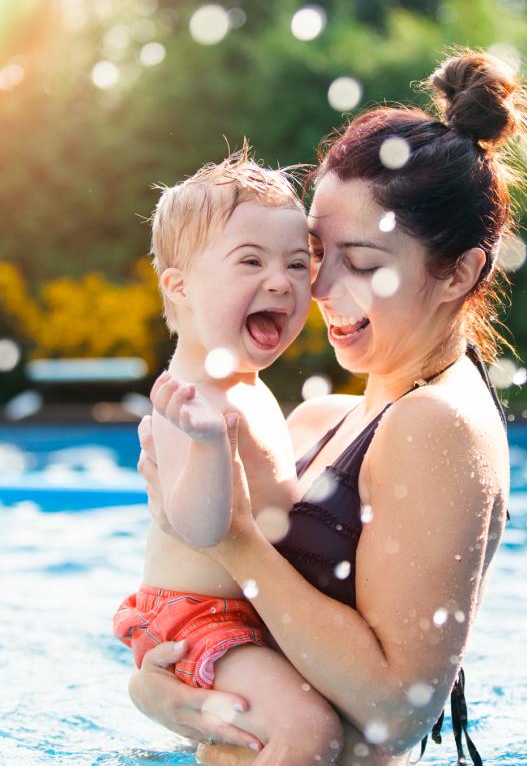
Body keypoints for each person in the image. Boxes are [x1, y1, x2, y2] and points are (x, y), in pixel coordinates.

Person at [129, 50, 527, 765]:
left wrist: (234, 539)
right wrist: (160, 690)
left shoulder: (437, 425)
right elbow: (243, 629)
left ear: (459, 272)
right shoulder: (320, 421)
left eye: (361, 263)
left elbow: (397, 709)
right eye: (313, 253)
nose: (321, 288)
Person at [112, 149, 345, 764]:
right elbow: (200, 526)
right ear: (180, 286)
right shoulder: (186, 398)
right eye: (251, 261)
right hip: (198, 621)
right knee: (310, 734)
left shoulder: (243, 382)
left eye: (298, 264)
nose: (281, 281)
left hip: (248, 613)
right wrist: (211, 445)